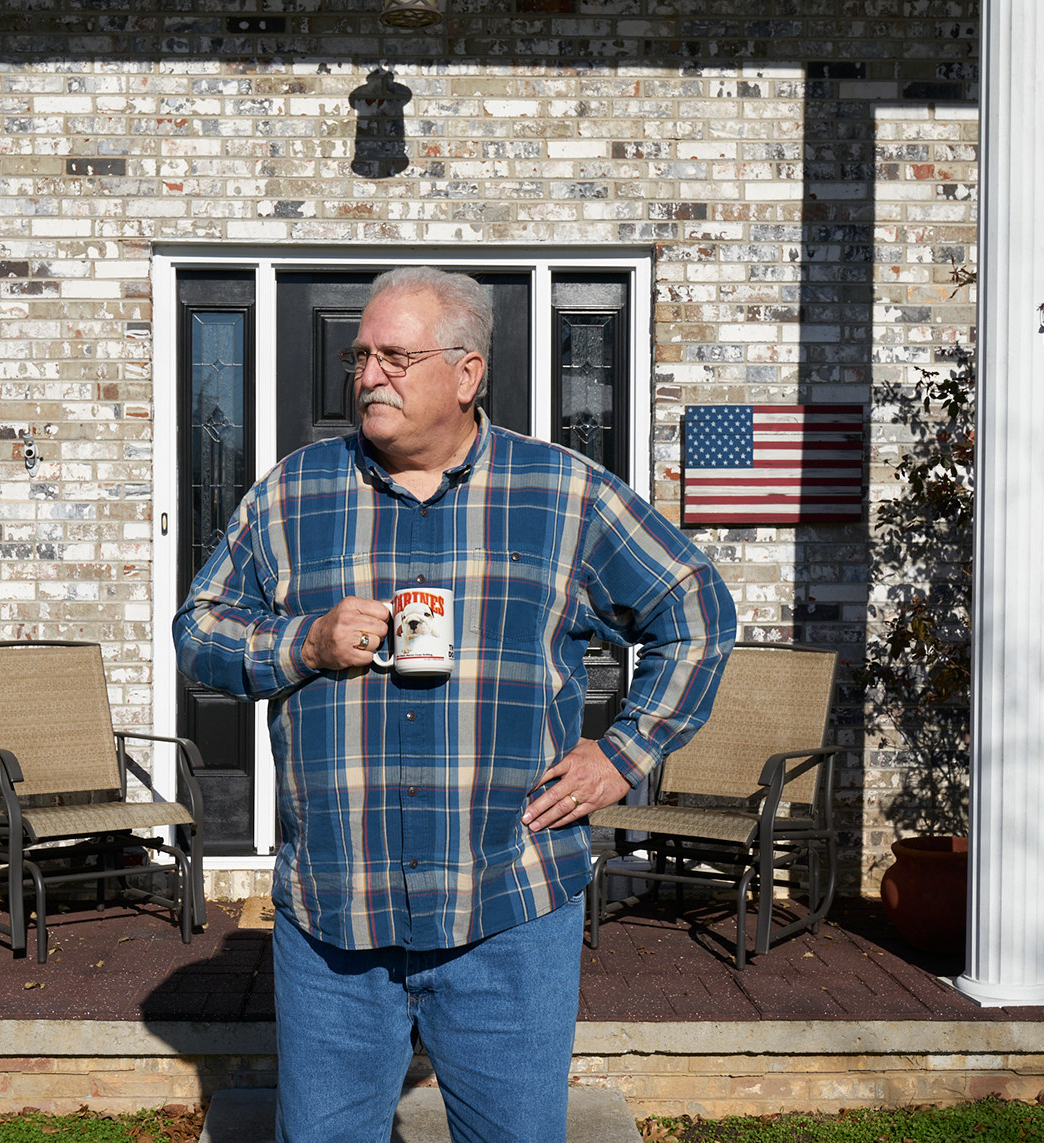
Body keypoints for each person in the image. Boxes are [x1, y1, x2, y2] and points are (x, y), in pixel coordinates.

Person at [173, 268, 735, 1143]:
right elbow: (199, 631)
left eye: (396, 355)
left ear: (467, 373)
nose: (368, 374)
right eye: (361, 356)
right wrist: (303, 644)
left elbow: (694, 609)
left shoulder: (564, 495)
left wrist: (622, 755)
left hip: (506, 904)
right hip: (336, 912)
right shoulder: (294, 493)